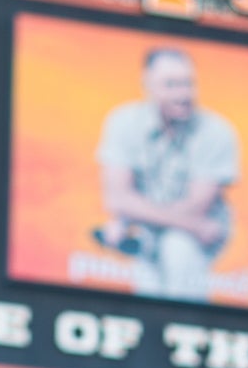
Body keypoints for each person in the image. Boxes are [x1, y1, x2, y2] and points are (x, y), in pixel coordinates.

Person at [95, 46, 238, 302]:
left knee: (177, 248)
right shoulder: (122, 122)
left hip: (191, 238)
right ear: (147, 85)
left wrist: (129, 218)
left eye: (188, 84)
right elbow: (117, 199)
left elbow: (197, 207)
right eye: (171, 85)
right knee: (146, 283)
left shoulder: (217, 131)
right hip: (161, 231)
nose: (183, 94)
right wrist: (127, 219)